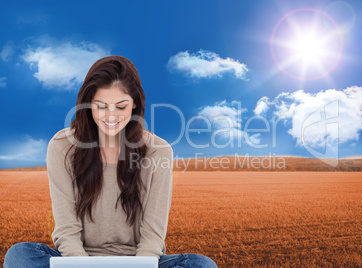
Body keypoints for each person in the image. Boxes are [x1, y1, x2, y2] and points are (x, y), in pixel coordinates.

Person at [4, 55, 218, 268]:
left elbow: (153, 235)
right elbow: (66, 230)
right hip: (76, 260)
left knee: (203, 265)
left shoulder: (158, 151)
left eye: (121, 106)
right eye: (101, 106)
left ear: (135, 104)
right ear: (88, 104)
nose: (111, 116)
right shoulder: (62, 146)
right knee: (19, 255)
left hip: (140, 262)